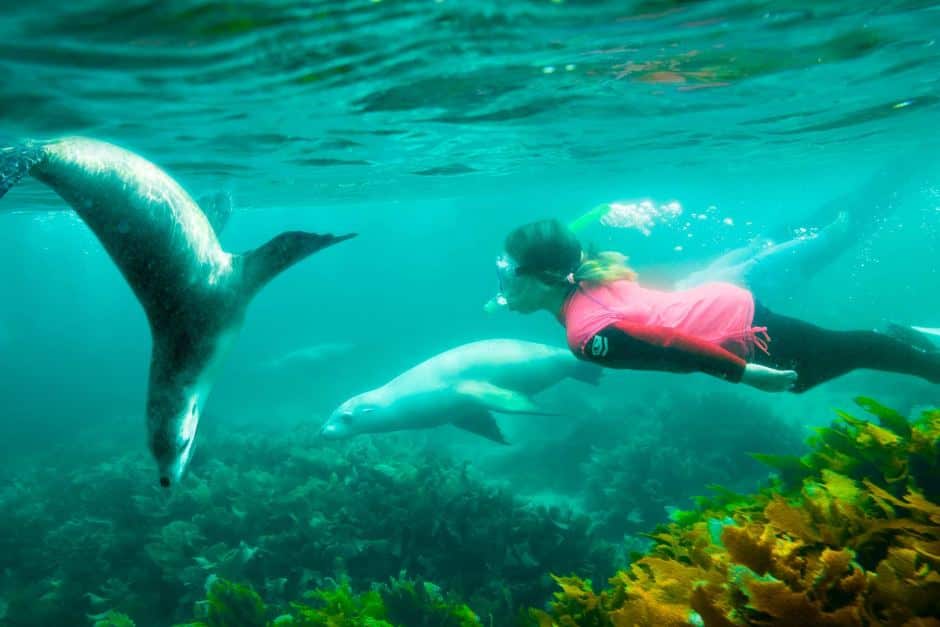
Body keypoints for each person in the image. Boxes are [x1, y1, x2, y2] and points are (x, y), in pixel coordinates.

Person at [489, 219, 940, 393]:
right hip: (721, 306)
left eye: (510, 273)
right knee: (825, 360)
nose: (503, 283)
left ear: (545, 278)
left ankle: (926, 359)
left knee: (835, 357)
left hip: (739, 328)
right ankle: (911, 342)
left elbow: (668, 343)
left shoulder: (585, 338)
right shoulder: (582, 277)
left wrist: (745, 374)